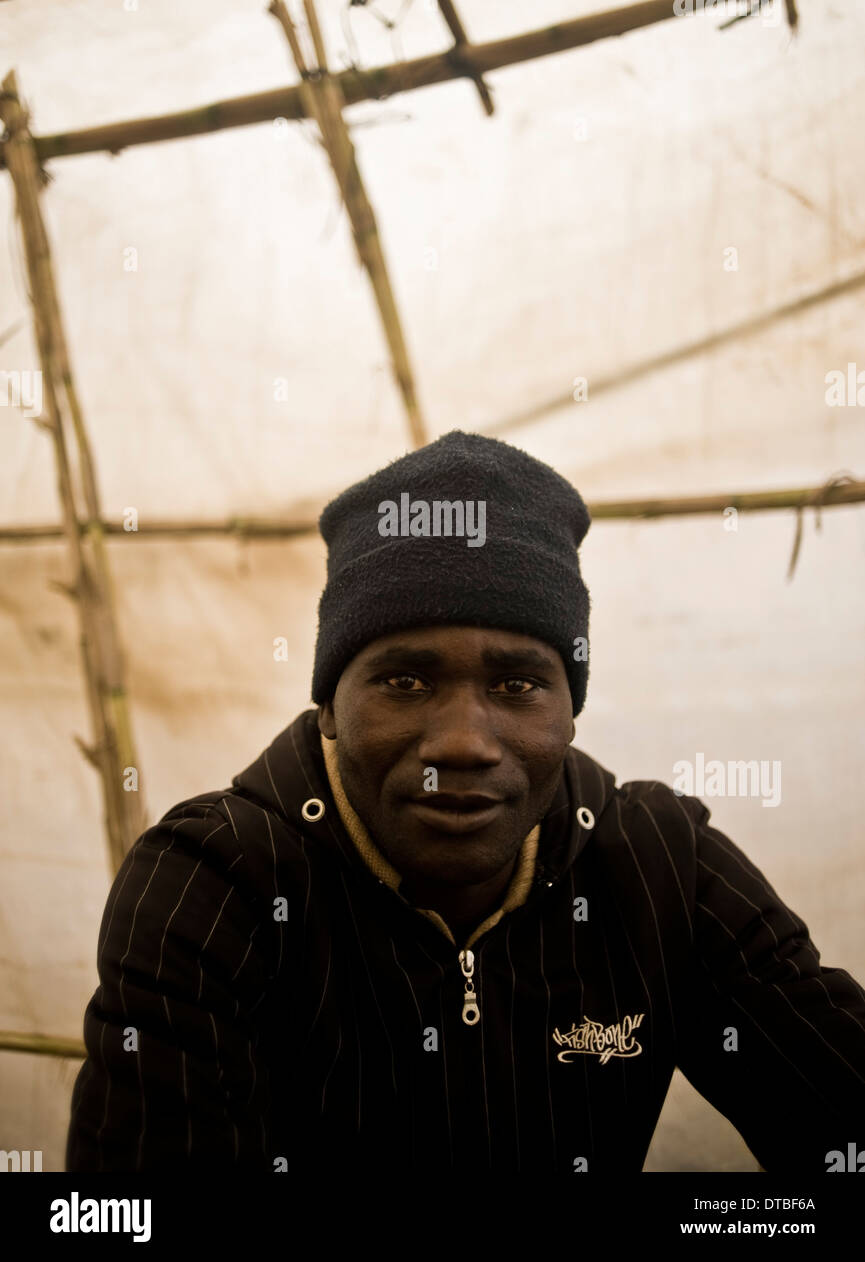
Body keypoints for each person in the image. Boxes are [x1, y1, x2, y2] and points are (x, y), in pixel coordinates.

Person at [66, 430, 865, 1172]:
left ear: (569, 708)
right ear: (329, 708)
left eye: (516, 684)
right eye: (405, 680)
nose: (462, 742)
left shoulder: (660, 864)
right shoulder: (215, 885)